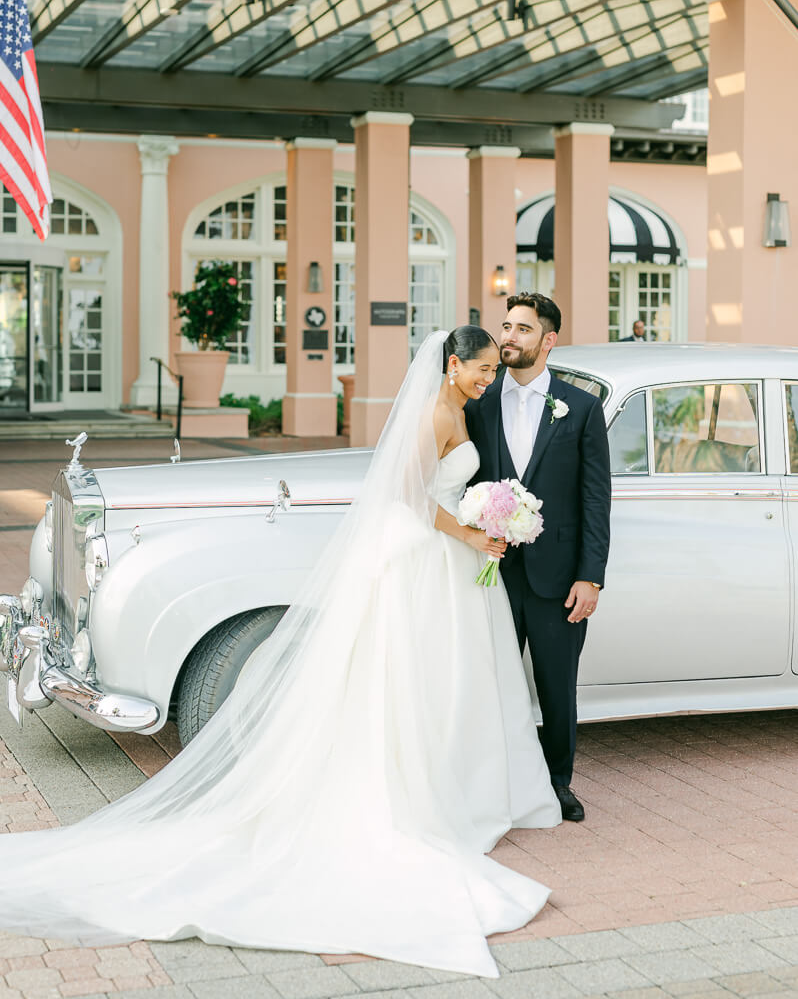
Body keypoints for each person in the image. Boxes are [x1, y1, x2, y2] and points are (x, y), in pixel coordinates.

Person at [0, 327, 560, 979]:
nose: (488, 381)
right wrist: (474, 531)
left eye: (495, 372)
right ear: (454, 362)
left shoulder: (462, 408)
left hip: (446, 561)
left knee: (440, 678)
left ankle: (453, 774)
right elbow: (413, 497)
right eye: (481, 370)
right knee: (405, 677)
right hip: (425, 555)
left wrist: (489, 520)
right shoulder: (436, 412)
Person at [466, 294, 611, 822]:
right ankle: (492, 782)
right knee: (490, 684)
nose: (508, 337)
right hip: (489, 575)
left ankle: (557, 783)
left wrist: (590, 577)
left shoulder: (582, 406)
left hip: (558, 579)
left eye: (522, 329)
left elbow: (596, 498)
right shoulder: (476, 404)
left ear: (548, 341)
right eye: (505, 326)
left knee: (556, 687)